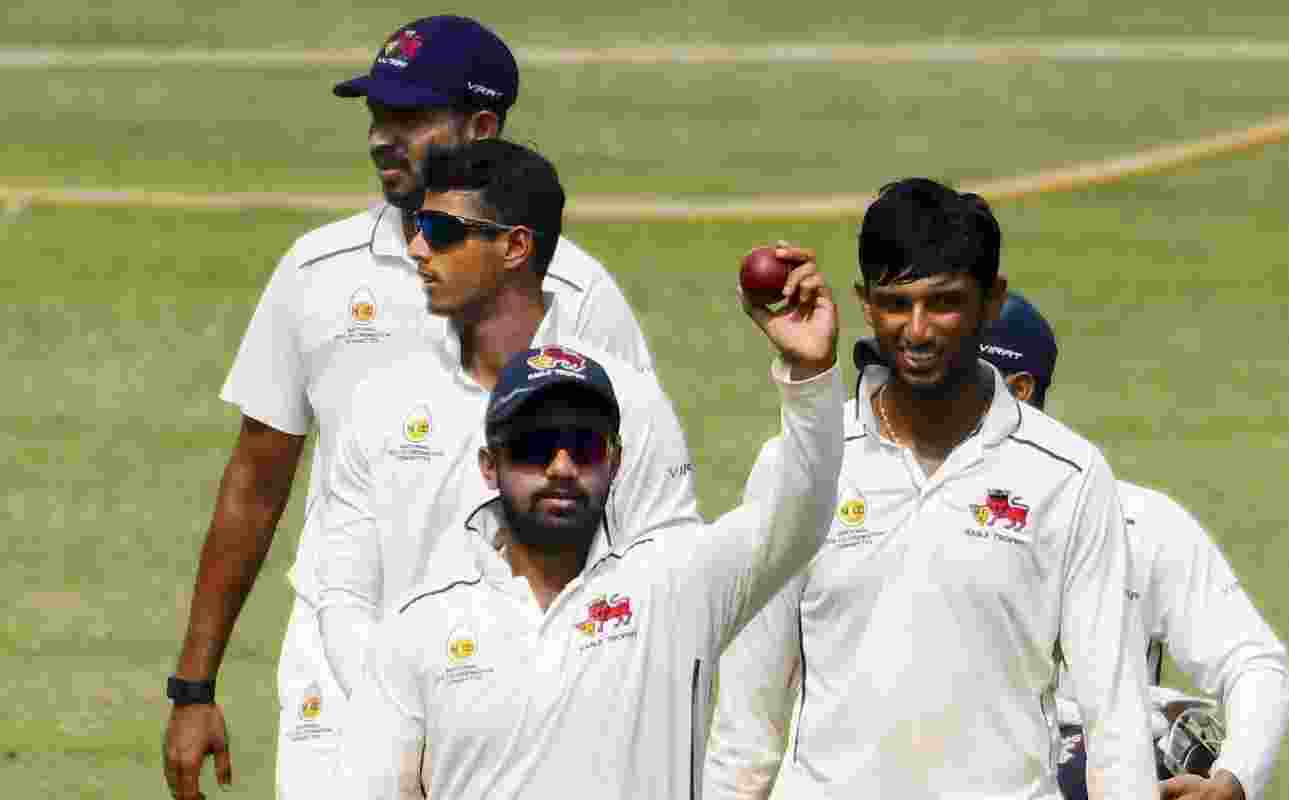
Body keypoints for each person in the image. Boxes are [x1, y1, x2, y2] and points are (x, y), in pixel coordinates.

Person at [161, 16, 654, 800]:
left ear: (481, 125)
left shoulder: (578, 293)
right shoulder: (315, 274)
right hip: (342, 674)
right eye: (376, 117)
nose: (382, 138)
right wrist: (194, 686)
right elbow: (256, 481)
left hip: (514, 677)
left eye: (409, 119)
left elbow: (633, 494)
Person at [704, 178, 1157, 800]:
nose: (917, 331)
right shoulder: (799, 466)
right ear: (865, 303)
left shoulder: (1067, 476)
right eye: (895, 303)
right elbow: (747, 720)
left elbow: (1115, 714)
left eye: (943, 303)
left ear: (992, 301)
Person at [342, 250, 843, 799]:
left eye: (583, 446)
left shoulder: (676, 586)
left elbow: (801, 512)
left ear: (616, 461)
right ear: (490, 465)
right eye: (535, 447)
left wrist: (811, 375)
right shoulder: (418, 631)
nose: (561, 468)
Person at [312, 139, 700, 704]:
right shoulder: (379, 400)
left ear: (516, 246)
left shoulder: (629, 400)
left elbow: (671, 582)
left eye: (442, 230)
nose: (418, 248)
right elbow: (343, 595)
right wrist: (398, 721)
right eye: (419, 224)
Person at [978, 293, 1289, 800]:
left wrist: (1232, 779)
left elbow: (1254, 663)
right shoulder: (898, 506)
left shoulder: (1138, 523)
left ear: (1019, 389)